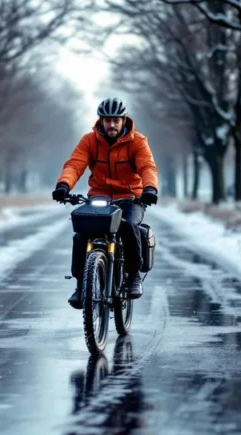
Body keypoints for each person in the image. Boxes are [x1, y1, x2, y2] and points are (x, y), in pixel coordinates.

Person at [52, 97, 159, 309]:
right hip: (99, 198)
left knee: (128, 226)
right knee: (81, 234)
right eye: (107, 120)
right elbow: (75, 164)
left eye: (116, 120)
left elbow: (147, 167)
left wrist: (149, 189)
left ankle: (133, 276)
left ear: (123, 120)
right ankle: (81, 284)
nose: (111, 124)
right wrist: (63, 185)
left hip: (130, 198)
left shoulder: (137, 142)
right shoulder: (89, 141)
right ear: (101, 120)